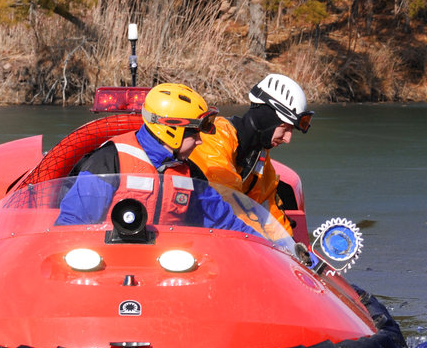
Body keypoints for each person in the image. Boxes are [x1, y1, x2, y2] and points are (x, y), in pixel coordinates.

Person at [55, 82, 259, 236]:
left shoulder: (191, 174)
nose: (199, 142)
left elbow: (226, 224)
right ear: (170, 131)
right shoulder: (109, 161)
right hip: (108, 263)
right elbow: (72, 225)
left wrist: (274, 250)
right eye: (194, 134)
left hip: (167, 270)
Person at [188, 74, 314, 251]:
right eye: (285, 128)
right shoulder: (216, 137)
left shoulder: (258, 154)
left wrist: (290, 247)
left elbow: (268, 210)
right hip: (196, 238)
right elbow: (229, 205)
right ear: (267, 119)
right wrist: (267, 245)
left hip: (228, 239)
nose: (288, 138)